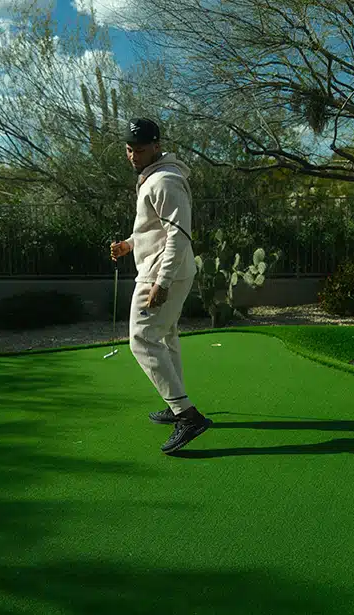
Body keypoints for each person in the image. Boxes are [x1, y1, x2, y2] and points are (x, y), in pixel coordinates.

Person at [110, 118, 213, 454]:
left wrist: (162, 281)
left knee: (142, 338)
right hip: (168, 268)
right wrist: (129, 244)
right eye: (128, 149)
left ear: (156, 145)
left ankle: (187, 416)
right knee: (165, 335)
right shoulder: (154, 177)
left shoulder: (165, 180)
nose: (132, 155)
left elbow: (178, 235)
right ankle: (175, 406)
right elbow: (154, 229)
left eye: (139, 149)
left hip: (161, 273)